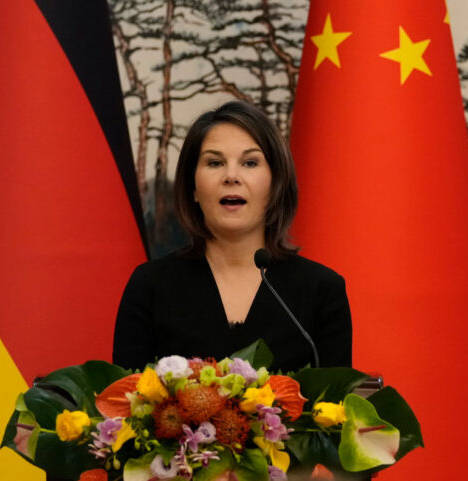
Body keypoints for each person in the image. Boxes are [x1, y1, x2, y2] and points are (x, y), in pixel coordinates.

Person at [112, 101, 351, 372]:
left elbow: (335, 406)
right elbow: (124, 407)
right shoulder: (150, 287)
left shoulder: (321, 291)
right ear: (193, 187)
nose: (231, 176)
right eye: (215, 163)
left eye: (250, 162)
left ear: (275, 183)